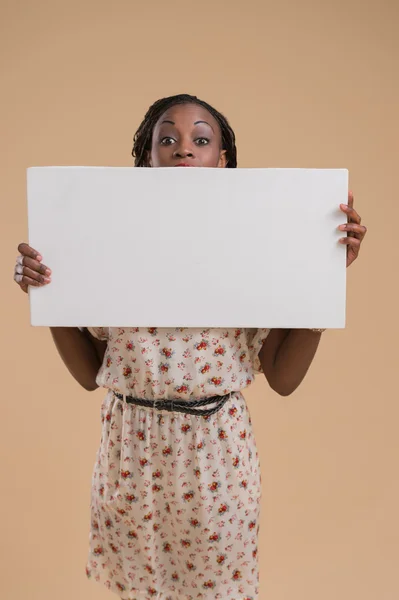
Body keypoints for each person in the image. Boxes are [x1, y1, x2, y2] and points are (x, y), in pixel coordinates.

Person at [13, 94, 367, 600]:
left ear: (221, 162)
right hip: (129, 450)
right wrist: (48, 298)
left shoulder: (252, 247)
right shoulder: (110, 244)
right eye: (167, 139)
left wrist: (322, 280)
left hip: (215, 455)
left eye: (201, 140)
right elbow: (91, 373)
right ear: (146, 158)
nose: (184, 149)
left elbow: (284, 379)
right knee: (139, 588)